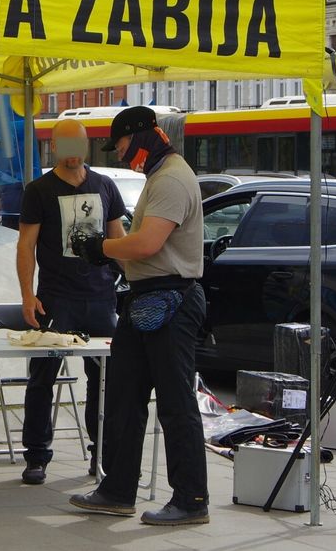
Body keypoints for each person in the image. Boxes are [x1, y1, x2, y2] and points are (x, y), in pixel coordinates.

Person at [68, 105, 209, 526]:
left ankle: (191, 498)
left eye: (124, 145)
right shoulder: (159, 176)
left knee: (175, 402)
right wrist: (111, 251)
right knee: (125, 399)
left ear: (143, 136)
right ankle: (117, 489)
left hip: (171, 299)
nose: (121, 155)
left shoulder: (171, 179)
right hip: (147, 296)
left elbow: (147, 243)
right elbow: (143, 247)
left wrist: (102, 248)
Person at [14, 119, 126, 485]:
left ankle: (104, 453)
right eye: (65, 146)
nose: (73, 154)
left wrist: (136, 278)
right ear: (55, 148)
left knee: (106, 378)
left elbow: (118, 238)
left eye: (79, 145)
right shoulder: (39, 190)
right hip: (56, 298)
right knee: (42, 377)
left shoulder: (105, 186)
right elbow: (25, 246)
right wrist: (27, 295)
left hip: (100, 296)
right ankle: (36, 455)